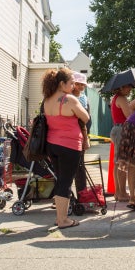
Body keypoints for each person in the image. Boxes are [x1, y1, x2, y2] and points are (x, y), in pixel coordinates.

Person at [42, 68, 89, 229]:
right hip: (69, 145)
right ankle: (63, 220)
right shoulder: (69, 99)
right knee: (66, 182)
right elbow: (86, 117)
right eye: (71, 83)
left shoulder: (47, 100)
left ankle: (59, 217)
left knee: (60, 180)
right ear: (62, 84)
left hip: (51, 145)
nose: (73, 85)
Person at [109, 83, 135, 203]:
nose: (130, 89)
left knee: (117, 163)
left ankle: (119, 192)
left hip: (118, 129)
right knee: (122, 163)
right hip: (122, 130)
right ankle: (121, 193)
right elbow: (129, 116)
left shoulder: (117, 98)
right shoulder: (121, 98)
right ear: (121, 87)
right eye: (128, 87)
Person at [71, 72, 91, 195]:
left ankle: (82, 193)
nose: (80, 87)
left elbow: (86, 119)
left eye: (82, 84)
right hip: (70, 134)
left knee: (79, 165)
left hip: (80, 134)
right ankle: (63, 196)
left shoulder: (84, 98)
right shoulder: (67, 96)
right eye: (78, 84)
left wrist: (85, 137)